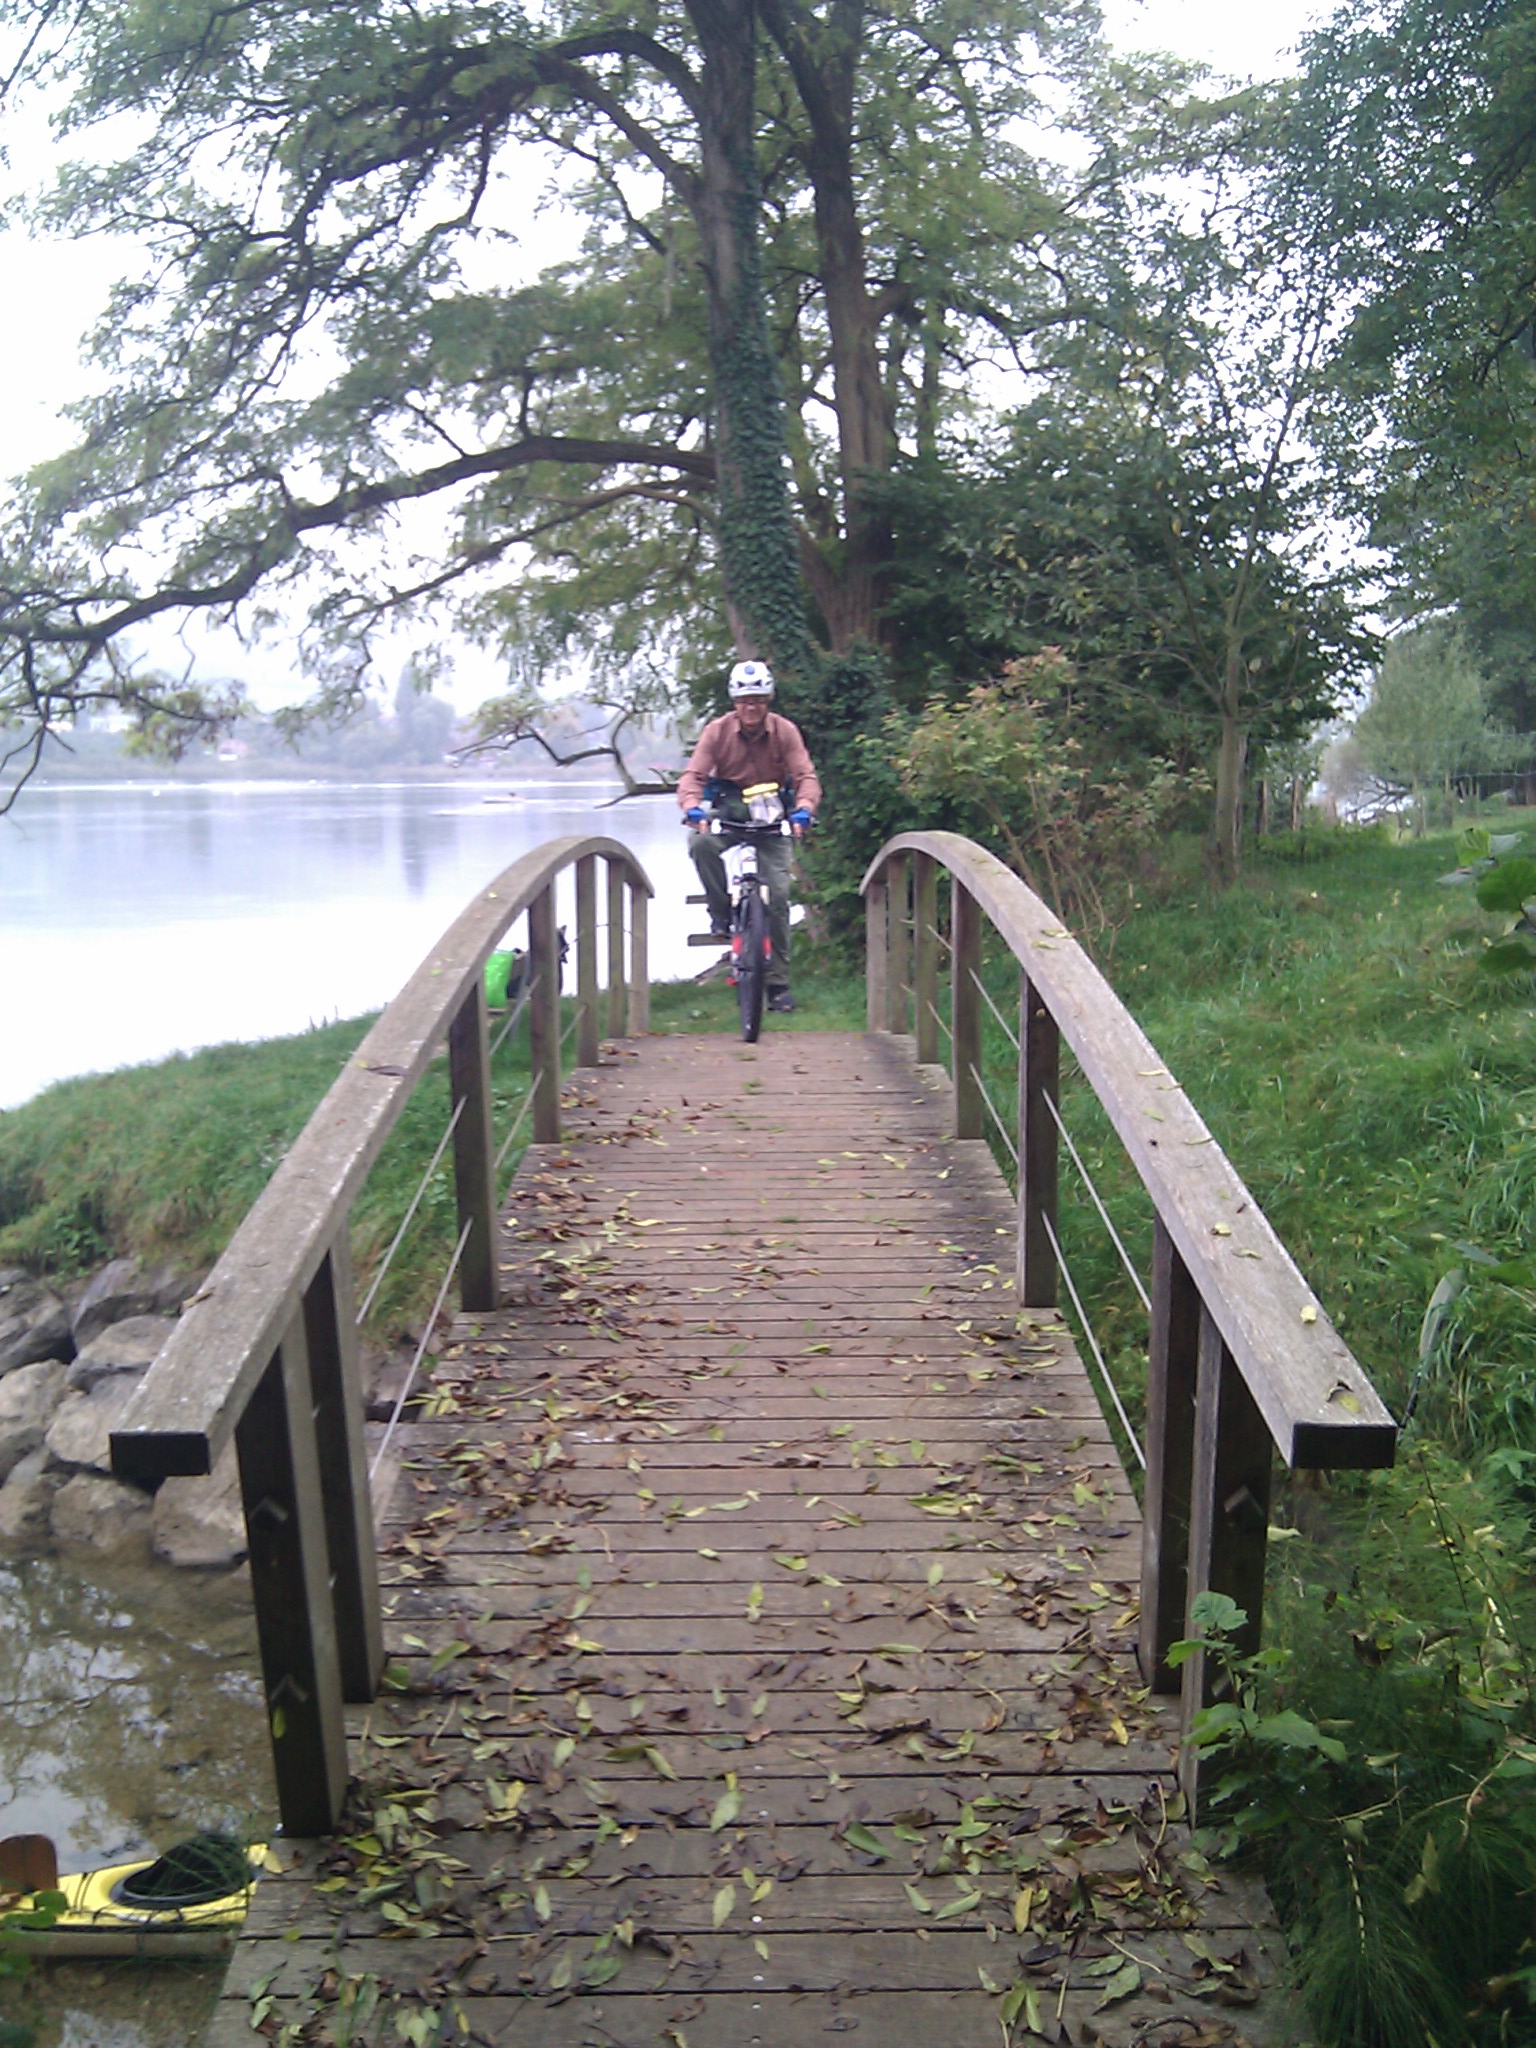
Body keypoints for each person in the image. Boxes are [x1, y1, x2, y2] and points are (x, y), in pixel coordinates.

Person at [676, 659, 821, 1013]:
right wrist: (692, 808)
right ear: (735, 703)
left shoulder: (785, 731)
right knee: (700, 843)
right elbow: (693, 776)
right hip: (729, 813)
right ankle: (720, 913)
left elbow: (806, 776)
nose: (751, 708)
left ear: (767, 700)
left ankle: (778, 985)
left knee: (779, 897)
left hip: (772, 818)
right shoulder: (717, 731)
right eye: (744, 701)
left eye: (757, 700)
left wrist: (804, 809)